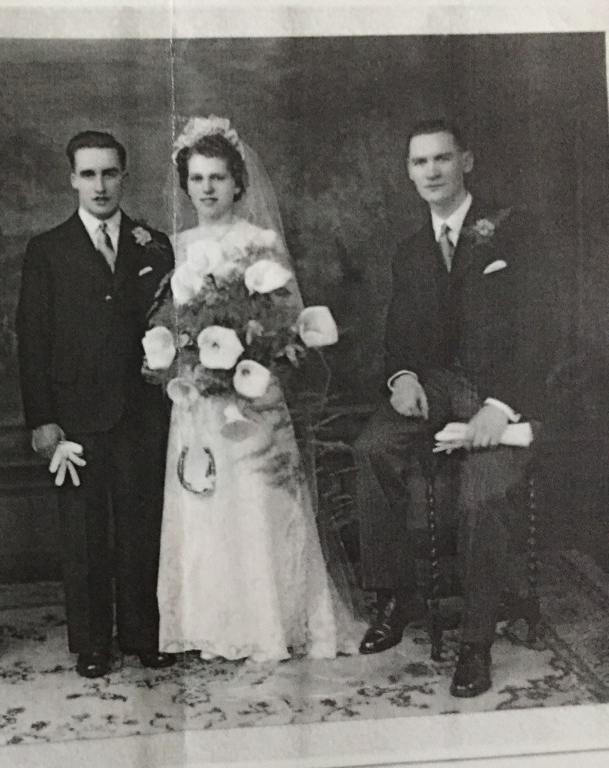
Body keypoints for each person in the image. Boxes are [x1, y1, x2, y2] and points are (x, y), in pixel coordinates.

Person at [354, 118, 559, 696]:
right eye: (419, 162)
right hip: (439, 387)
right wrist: (401, 378)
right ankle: (396, 596)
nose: (431, 172)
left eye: (442, 158)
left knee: (480, 494)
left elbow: (543, 330)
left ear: (466, 162)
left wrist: (502, 405)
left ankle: (475, 642)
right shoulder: (410, 251)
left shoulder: (515, 232)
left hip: (506, 393)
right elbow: (399, 335)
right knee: (372, 449)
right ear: (409, 172)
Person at [155, 118, 363, 663]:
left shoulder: (259, 242)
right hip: (200, 397)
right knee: (207, 502)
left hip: (253, 393)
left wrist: (251, 353)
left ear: (238, 183)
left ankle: (270, 622)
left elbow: (284, 324)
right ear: (185, 185)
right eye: (197, 178)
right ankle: (212, 625)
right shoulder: (175, 247)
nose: (207, 188)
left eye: (218, 177)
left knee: (257, 501)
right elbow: (172, 324)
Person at [15, 130, 176, 678]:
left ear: (124, 177)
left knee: (141, 524)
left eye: (109, 173)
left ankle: (143, 633)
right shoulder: (47, 250)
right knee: (83, 533)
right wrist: (42, 419)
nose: (100, 185)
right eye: (88, 174)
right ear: (72, 179)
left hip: (141, 409)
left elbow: (170, 322)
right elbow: (32, 339)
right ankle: (92, 642)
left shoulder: (153, 245)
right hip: (76, 412)